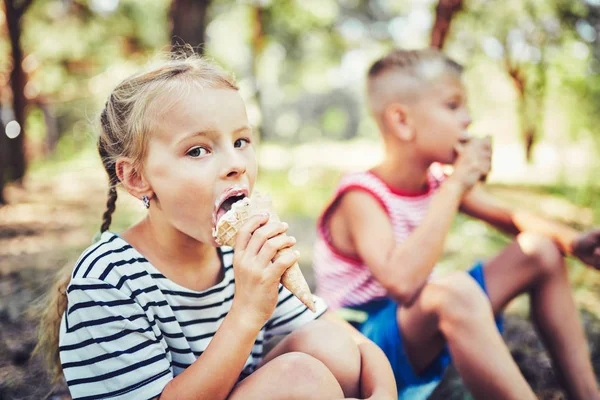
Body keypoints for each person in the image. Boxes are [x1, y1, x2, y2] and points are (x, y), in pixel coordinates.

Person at [35, 50, 397, 400]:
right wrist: (246, 312)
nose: (235, 163)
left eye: (241, 141)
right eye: (197, 150)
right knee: (301, 379)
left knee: (330, 346)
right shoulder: (107, 279)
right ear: (136, 178)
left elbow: (353, 341)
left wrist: (383, 391)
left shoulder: (241, 256)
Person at [313, 48, 600, 400]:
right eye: (453, 106)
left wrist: (573, 243)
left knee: (540, 249)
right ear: (402, 121)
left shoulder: (437, 182)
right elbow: (401, 283)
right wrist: (456, 185)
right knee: (454, 291)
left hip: (418, 325)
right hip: (364, 343)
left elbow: (511, 219)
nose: (467, 119)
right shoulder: (362, 196)